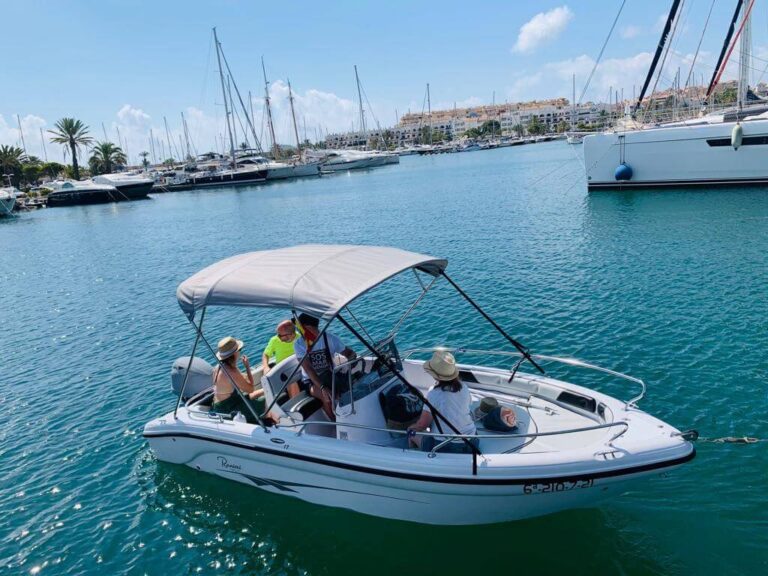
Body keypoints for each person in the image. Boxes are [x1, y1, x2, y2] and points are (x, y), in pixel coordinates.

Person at [407, 349, 478, 454]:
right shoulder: (464, 387)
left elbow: (422, 425)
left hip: (448, 447)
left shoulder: (433, 393)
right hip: (473, 440)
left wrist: (411, 426)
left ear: (435, 374)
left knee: (411, 432)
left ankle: (416, 458)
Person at [293, 313, 356, 420]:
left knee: (351, 389)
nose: (299, 332)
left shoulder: (330, 338)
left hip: (331, 375)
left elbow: (350, 353)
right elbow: (308, 369)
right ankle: (335, 423)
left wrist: (351, 359)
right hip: (311, 380)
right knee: (327, 397)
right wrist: (322, 387)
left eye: (300, 329)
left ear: (308, 328)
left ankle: (351, 416)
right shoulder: (299, 344)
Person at [212, 336, 266, 424]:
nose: (240, 352)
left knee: (263, 392)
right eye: (239, 350)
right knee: (265, 402)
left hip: (222, 404)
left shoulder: (218, 367)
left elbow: (239, 380)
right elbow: (250, 389)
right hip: (229, 410)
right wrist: (247, 367)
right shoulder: (232, 372)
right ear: (234, 354)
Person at [261, 320, 300, 396]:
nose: (278, 337)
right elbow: (266, 354)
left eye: (280, 335)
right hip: (283, 371)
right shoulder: (274, 340)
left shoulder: (300, 338)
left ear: (290, 334)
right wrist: (266, 367)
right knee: (292, 382)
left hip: (299, 368)